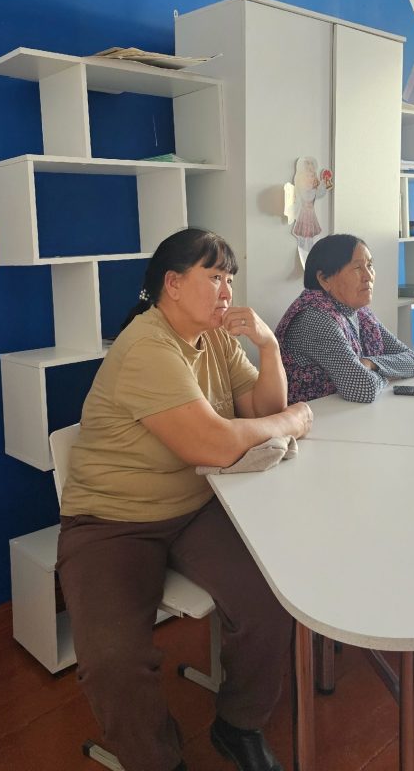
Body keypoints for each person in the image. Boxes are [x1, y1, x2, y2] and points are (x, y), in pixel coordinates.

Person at [57, 228, 312, 771]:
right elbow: (217, 445)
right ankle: (157, 760)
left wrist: (269, 346)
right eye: (214, 277)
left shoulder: (215, 338)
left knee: (270, 600)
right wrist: (292, 422)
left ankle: (238, 724)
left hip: (196, 507)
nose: (227, 291)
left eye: (230, 278)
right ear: (172, 284)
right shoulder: (147, 347)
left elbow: (260, 408)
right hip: (111, 520)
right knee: (113, 659)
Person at [275, 234, 414, 404]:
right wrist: (389, 373)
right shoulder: (314, 317)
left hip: (347, 413)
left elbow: (412, 361)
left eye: (370, 265)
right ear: (324, 279)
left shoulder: (359, 312)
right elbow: (362, 388)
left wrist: (371, 363)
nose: (368, 276)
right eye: (357, 268)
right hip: (315, 417)